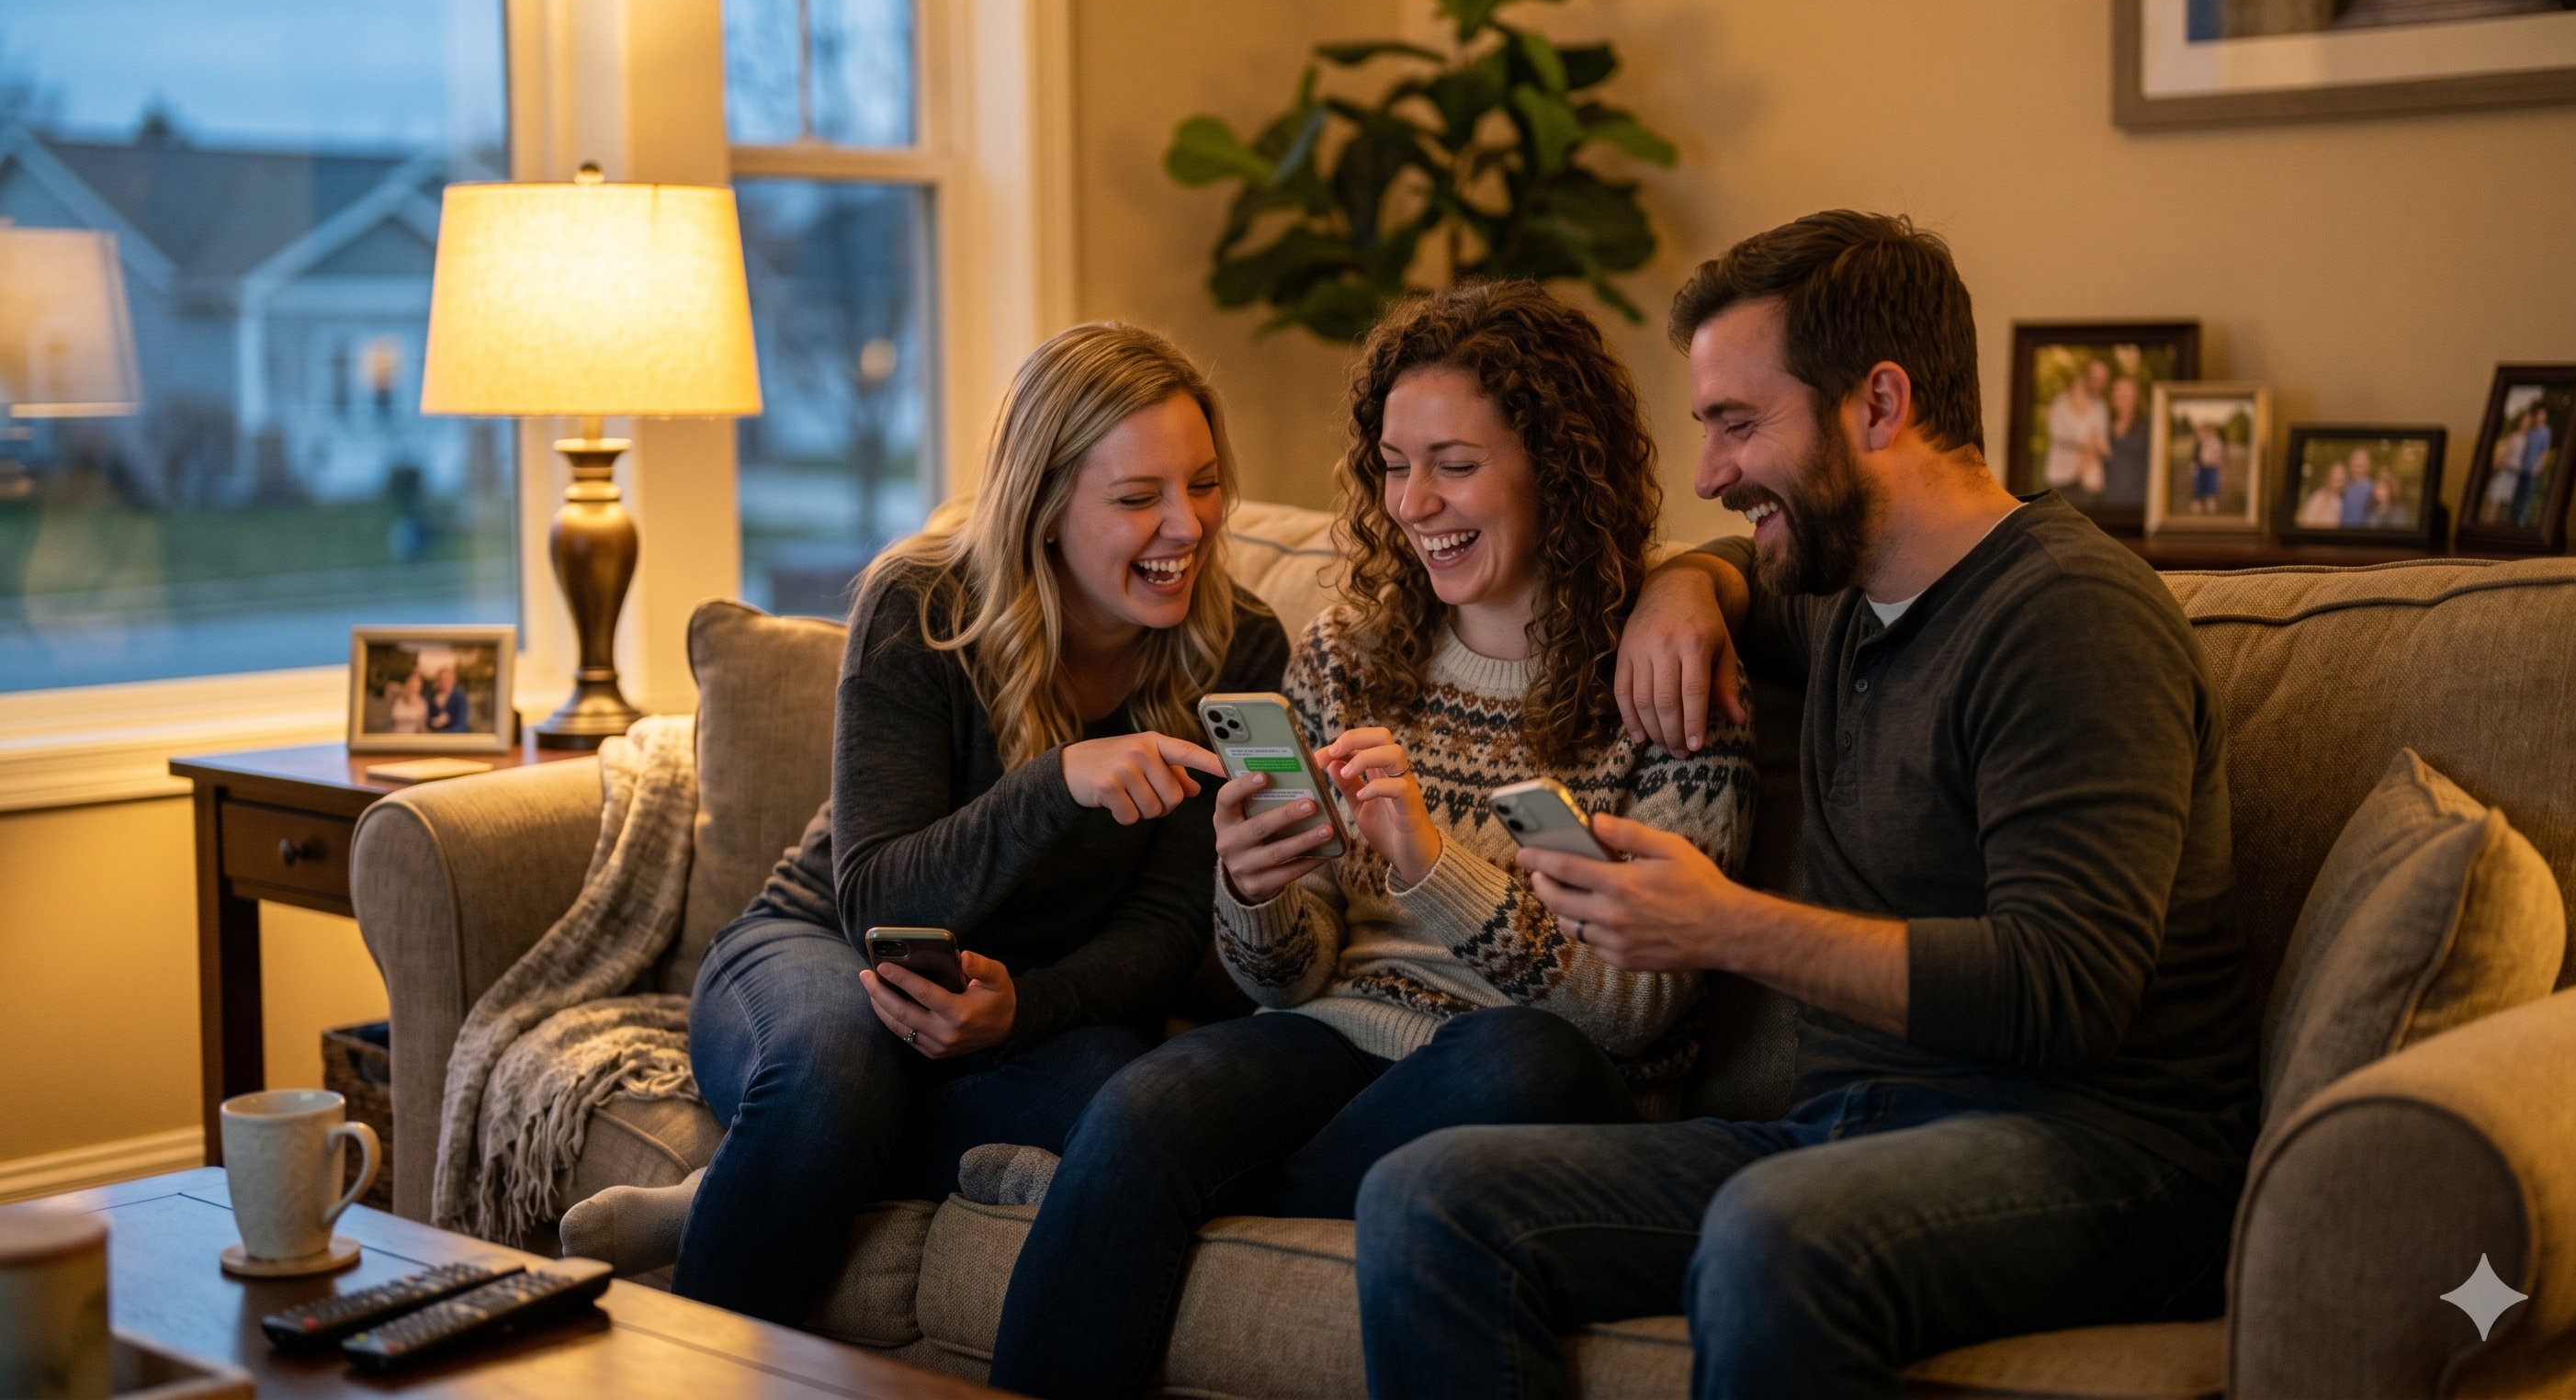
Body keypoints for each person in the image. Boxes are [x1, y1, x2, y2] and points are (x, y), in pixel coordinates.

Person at [1352, 211, 2248, 1397]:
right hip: (1849, 1132)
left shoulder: (2071, 618)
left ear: (1880, 405)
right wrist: (1686, 587)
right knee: (1427, 1196)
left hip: (2102, 1153)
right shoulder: (1838, 594)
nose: (1714, 471)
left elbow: (2063, 990)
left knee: (1776, 1232)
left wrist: (1723, 926)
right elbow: (1720, 560)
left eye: (1737, 424)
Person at [985, 281, 1758, 1400]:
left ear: (1553, 460)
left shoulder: (1667, 674)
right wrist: (1254, 895)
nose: (1413, 502)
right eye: (1394, 466)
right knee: (1151, 1098)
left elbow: (1635, 1008)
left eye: (1452, 464)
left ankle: (1123, 1190)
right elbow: (1287, 978)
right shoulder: (1351, 653)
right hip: (1337, 1037)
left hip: (1543, 1069)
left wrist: (1427, 861)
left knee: (1522, 1057)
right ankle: (1137, 1175)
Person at [657, 322, 1291, 1325]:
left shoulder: (1239, 642)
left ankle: (755, 1185)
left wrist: (1020, 1011)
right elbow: (875, 897)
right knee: (832, 1069)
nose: (1188, 525)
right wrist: (1055, 783)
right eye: (1136, 498)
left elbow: (1171, 928)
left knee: (1127, 1101)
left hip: (1029, 1007)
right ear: (1044, 508)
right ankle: (715, 1313)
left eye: (1203, 484)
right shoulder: (920, 605)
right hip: (823, 945)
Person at [2039, 359, 2108, 506]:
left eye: (2102, 378)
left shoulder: (2099, 407)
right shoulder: (2061, 402)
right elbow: (2055, 432)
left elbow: (2100, 441)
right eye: (2094, 377)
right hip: (2058, 476)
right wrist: (2084, 442)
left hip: (2084, 479)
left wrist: (2082, 466)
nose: (2098, 382)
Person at [2102, 373, 2151, 509]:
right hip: (2110, 500)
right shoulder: (2105, 425)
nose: (2123, 401)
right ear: (2112, 399)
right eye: (2119, 396)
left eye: (2127, 396)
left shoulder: (2147, 426)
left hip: (2139, 502)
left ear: (2136, 398)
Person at [2295, 454, 2349, 529]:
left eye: (2342, 474)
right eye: (2336, 473)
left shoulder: (2338, 499)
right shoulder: (2320, 497)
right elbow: (2307, 523)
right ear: (2329, 476)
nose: (2339, 476)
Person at [2189, 420, 2226, 515]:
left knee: (2212, 484)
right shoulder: (2200, 442)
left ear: (2215, 432)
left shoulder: (2217, 442)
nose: (2208, 434)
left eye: (2211, 432)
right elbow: (2195, 454)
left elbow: (2221, 454)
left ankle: (2210, 501)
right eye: (2206, 432)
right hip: (2201, 467)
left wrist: (2217, 460)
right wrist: (2194, 464)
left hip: (2213, 467)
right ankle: (2197, 502)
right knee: (2199, 484)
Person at [424, 664, 470, 733]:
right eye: (441, 679)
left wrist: (448, 721)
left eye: (447, 679)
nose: (444, 682)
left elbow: (462, 724)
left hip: (455, 738)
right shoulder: (431, 695)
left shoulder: (460, 696)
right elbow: (426, 720)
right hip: (434, 737)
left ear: (454, 680)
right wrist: (434, 722)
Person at [2338, 446, 2376, 527]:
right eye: (2356, 459)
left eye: (2363, 461)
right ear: (2350, 463)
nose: (2359, 463)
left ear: (2368, 465)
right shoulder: (2341, 485)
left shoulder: (2375, 488)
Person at [387, 670, 428, 734]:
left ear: (420, 686)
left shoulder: (422, 702)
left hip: (413, 737)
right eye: (411, 683)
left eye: (416, 685)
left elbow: (422, 724)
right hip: (397, 734)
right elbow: (394, 715)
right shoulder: (400, 699)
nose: (413, 686)